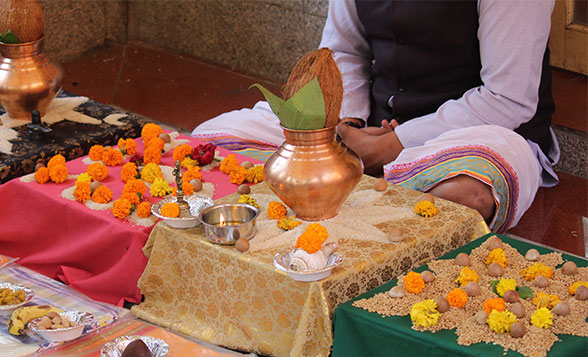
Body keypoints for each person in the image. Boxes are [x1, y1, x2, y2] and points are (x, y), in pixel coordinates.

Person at [192, 0, 560, 232]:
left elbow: (507, 99)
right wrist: (344, 128)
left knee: (465, 195)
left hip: (477, 133)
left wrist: (394, 144)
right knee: (211, 145)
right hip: (367, 126)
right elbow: (342, 51)